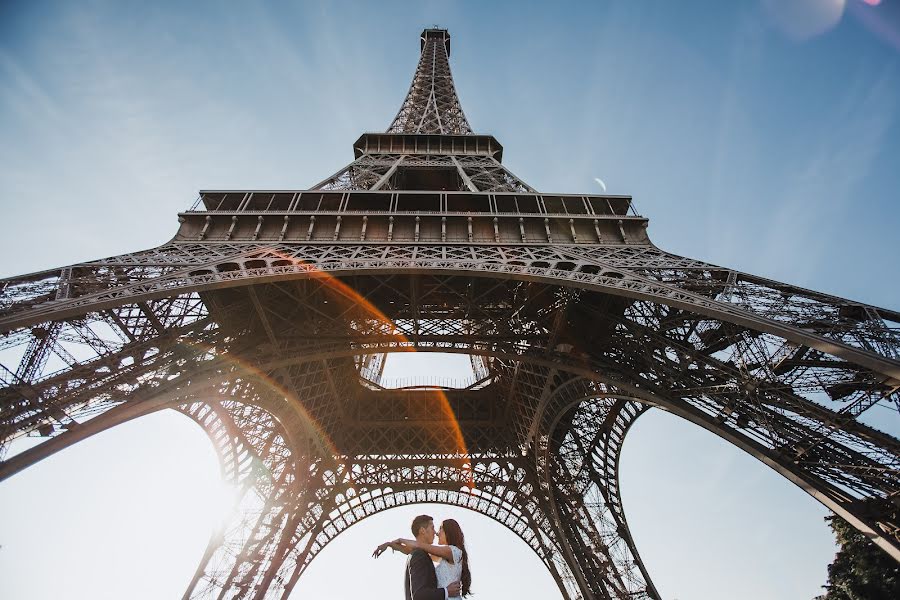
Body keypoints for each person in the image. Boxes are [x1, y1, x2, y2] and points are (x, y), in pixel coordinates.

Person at [373, 516, 471, 599]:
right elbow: (413, 551)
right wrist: (390, 544)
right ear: (422, 531)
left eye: (441, 528)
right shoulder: (443, 556)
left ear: (448, 532)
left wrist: (400, 539)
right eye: (434, 528)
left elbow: (420, 546)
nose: (437, 532)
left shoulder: (453, 551)